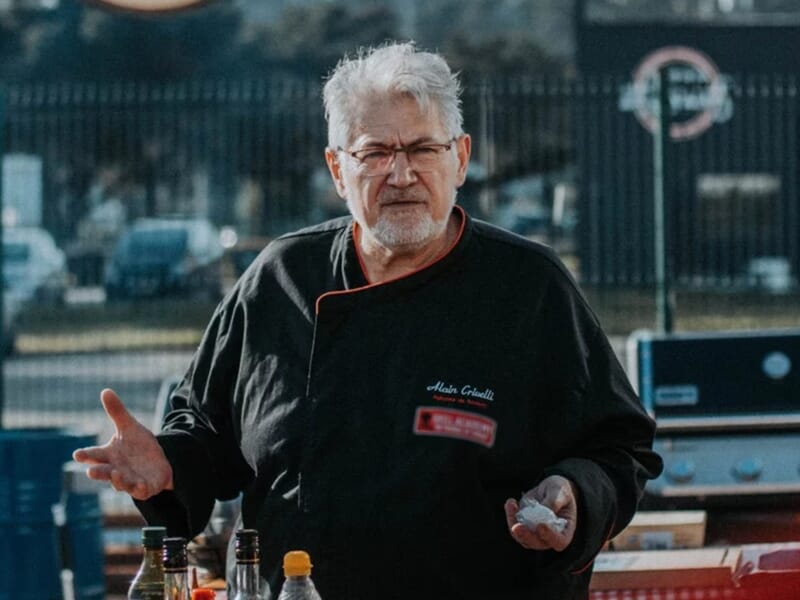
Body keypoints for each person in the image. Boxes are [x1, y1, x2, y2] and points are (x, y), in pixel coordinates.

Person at [74, 41, 662, 599]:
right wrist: (167, 464)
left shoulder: (530, 287)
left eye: (423, 150)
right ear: (337, 170)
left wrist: (576, 493)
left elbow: (620, 446)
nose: (400, 174)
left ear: (459, 158)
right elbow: (205, 434)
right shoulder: (280, 280)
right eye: (375, 153)